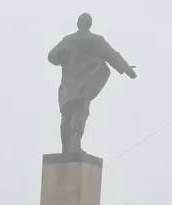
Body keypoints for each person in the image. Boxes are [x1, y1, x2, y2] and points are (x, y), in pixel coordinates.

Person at [47, 13, 137, 154]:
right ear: (90, 24)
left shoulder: (67, 40)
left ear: (78, 24)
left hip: (67, 87)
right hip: (85, 85)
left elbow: (52, 57)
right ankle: (74, 146)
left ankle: (66, 149)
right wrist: (127, 70)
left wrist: (65, 58)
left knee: (66, 115)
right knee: (80, 112)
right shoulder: (96, 41)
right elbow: (112, 55)